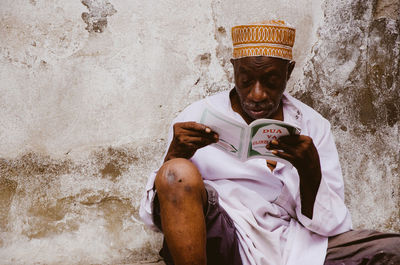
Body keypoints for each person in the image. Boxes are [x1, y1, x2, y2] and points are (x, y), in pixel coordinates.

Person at [139, 20, 400, 265]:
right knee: (177, 173)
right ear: (234, 69)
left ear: (289, 72)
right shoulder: (198, 116)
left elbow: (331, 226)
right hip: (221, 238)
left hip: (294, 243)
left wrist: (310, 171)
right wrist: (174, 154)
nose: (257, 94)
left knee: (392, 249)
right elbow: (156, 217)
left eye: (271, 82)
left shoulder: (313, 125)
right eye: (246, 81)